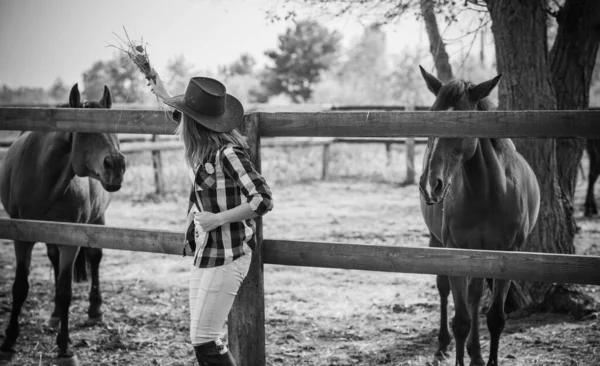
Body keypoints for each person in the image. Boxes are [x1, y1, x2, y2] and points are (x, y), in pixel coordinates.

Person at [150, 74, 274, 366]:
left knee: (205, 340)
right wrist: (162, 92)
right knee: (202, 339)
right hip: (206, 252)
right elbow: (176, 114)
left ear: (194, 124)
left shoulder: (227, 154)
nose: (179, 125)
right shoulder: (203, 151)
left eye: (184, 119)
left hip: (229, 255)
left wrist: (218, 218)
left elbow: (262, 199)